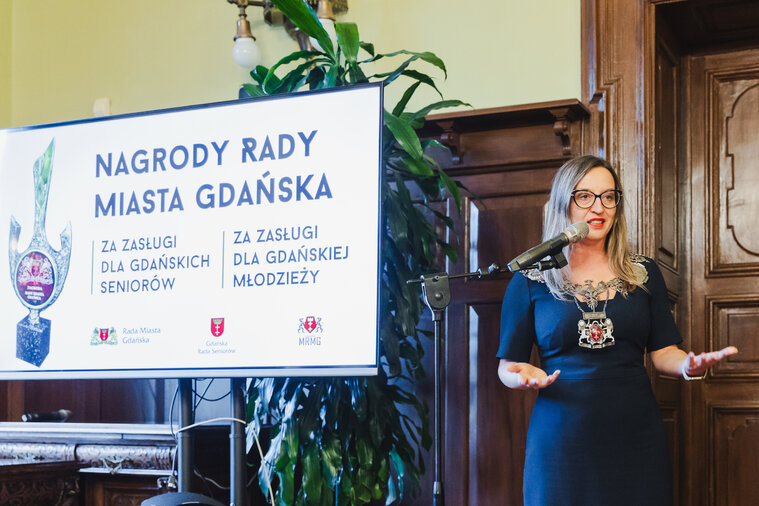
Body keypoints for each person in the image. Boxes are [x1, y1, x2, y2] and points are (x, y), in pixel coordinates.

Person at [497, 155, 737, 506]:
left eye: (608, 197)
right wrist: (522, 377)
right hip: (561, 437)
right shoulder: (530, 278)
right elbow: (507, 367)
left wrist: (688, 366)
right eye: (585, 196)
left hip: (635, 434)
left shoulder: (644, 273)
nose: (599, 207)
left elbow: (663, 352)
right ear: (564, 202)